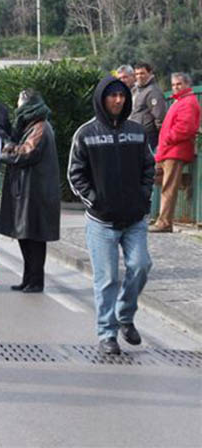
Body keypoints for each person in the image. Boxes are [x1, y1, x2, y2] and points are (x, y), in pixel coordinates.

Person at [68, 76, 154, 355]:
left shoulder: (137, 131)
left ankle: (125, 317)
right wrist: (93, 201)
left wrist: (143, 197)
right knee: (106, 280)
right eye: (112, 95)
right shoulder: (85, 134)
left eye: (122, 95)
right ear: (101, 98)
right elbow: (75, 174)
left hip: (135, 220)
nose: (118, 100)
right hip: (101, 222)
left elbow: (148, 168)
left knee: (140, 266)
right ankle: (107, 333)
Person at [0, 90, 60, 293]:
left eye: (19, 102)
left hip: (36, 193)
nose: (17, 107)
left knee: (33, 238)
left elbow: (27, 153)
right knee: (26, 236)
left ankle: (35, 281)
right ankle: (28, 279)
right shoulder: (33, 126)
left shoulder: (40, 128)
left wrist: (6, 149)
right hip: (29, 190)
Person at [151, 73, 200, 233]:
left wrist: (167, 140)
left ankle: (164, 222)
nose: (176, 87)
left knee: (168, 187)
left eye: (179, 84)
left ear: (187, 84)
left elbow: (185, 128)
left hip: (175, 150)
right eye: (173, 85)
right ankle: (185, 183)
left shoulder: (188, 102)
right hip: (170, 149)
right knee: (165, 183)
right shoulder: (180, 101)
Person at [130, 63, 167, 151]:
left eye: (142, 73)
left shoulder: (153, 91)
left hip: (149, 136)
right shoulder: (136, 90)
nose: (139, 76)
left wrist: (161, 139)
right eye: (137, 74)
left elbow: (159, 116)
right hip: (136, 134)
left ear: (150, 73)